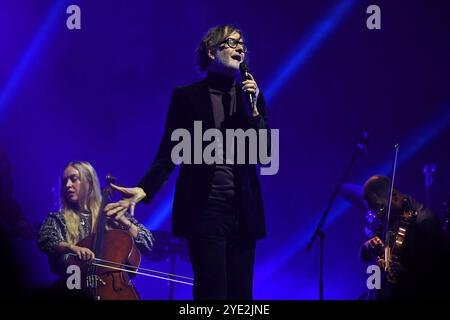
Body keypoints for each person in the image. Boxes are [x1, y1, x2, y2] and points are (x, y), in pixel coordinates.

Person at [104, 24, 270, 300]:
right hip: (205, 211)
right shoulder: (187, 97)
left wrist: (254, 110)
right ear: (211, 50)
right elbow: (170, 150)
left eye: (243, 44)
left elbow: (263, 154)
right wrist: (144, 189)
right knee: (212, 293)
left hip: (243, 212)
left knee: (242, 297)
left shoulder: (250, 97)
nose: (240, 48)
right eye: (232, 42)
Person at [38, 161, 154, 297]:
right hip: (74, 290)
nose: (68, 185)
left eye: (74, 179)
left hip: (113, 290)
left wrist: (124, 221)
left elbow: (148, 243)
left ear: (90, 183)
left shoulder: (111, 213)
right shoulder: (58, 219)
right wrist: (72, 248)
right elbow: (46, 239)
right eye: (64, 182)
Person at [359, 175, 448, 299]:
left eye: (379, 208)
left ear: (394, 196)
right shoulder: (386, 221)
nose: (377, 216)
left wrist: (407, 275)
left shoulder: (424, 221)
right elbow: (364, 258)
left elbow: (439, 276)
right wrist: (368, 246)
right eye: (373, 211)